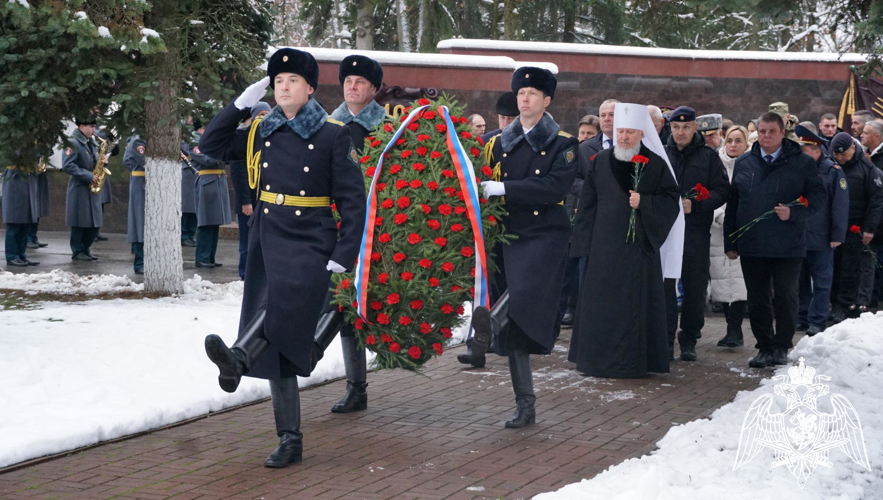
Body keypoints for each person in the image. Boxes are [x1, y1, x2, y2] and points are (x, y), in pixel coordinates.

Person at [200, 48, 366, 468]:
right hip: (267, 236)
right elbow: (210, 145)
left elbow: (352, 201)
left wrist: (343, 254)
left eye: (292, 80)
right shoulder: (262, 130)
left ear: (310, 88)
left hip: (311, 240)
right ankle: (289, 438)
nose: (283, 87)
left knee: (276, 312)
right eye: (277, 82)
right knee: (281, 344)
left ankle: (238, 358)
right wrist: (239, 105)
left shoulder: (332, 134)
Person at [470, 66, 578, 427]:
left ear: (547, 100)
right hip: (506, 234)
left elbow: (555, 188)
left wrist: (506, 190)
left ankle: (484, 332)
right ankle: (525, 404)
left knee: (524, 288)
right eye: (520, 93)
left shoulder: (563, 143)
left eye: (532, 93)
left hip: (544, 233)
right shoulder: (497, 143)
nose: (525, 98)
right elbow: (483, 179)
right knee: (516, 325)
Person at [569, 102, 683, 378]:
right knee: (601, 307)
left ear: (641, 134)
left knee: (632, 306)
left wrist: (645, 202)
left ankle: (631, 362)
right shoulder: (600, 162)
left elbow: (671, 201)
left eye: (630, 132)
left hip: (637, 251)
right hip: (603, 250)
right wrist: (583, 246)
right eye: (621, 132)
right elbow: (587, 205)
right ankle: (597, 362)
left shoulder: (655, 165)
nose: (624, 137)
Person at [724, 112, 826, 368]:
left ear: (782, 133)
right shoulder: (745, 162)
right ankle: (764, 347)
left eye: (772, 131)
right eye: (763, 131)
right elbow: (733, 205)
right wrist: (731, 242)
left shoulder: (801, 163)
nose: (767, 136)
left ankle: (781, 346)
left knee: (785, 296)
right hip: (752, 244)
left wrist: (794, 213)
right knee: (757, 299)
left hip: (787, 244)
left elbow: (818, 198)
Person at [322, 54, 386, 413]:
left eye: (360, 82)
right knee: (343, 303)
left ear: (373, 89)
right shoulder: (330, 126)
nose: (352, 86)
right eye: (347, 80)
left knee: (364, 303)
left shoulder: (385, 129)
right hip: (338, 226)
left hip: (376, 227)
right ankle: (356, 386)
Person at [664, 106, 729, 361]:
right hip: (666, 233)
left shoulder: (708, 157)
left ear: (695, 127)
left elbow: (722, 190)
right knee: (665, 287)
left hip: (695, 231)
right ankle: (665, 339)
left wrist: (697, 204)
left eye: (686, 127)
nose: (680, 132)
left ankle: (689, 338)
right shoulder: (661, 153)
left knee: (694, 288)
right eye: (676, 127)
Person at [793, 125, 848, 336]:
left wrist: (836, 235)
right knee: (801, 280)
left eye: (804, 150)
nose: (801, 154)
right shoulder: (799, 169)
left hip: (823, 237)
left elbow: (840, 206)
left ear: (816, 150)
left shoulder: (832, 172)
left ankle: (817, 320)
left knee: (822, 281)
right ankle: (803, 317)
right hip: (800, 235)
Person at [828, 132, 883, 319]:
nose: (840, 158)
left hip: (855, 227)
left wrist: (869, 228)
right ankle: (832, 303)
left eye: (843, 154)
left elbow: (876, 201)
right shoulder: (832, 165)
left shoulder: (867, 169)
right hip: (833, 227)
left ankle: (844, 306)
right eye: (837, 154)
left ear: (853, 148)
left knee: (849, 269)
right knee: (832, 267)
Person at [710, 126, 750, 347]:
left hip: (743, 230)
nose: (733, 145)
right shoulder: (717, 164)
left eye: (738, 141)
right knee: (722, 280)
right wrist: (719, 214)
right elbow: (711, 192)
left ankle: (736, 330)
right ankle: (730, 328)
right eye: (730, 141)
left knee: (740, 282)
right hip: (718, 231)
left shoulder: (752, 164)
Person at [230, 103, 271, 280]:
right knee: (247, 242)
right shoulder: (243, 138)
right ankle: (245, 274)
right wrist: (245, 202)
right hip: (249, 202)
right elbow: (238, 174)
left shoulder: (272, 137)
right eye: (260, 114)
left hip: (265, 200)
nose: (263, 117)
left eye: (267, 113)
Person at [62, 113, 104, 261]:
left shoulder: (90, 141)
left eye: (94, 126)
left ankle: (85, 249)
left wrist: (102, 162)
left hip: (92, 188)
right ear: (81, 127)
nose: (94, 129)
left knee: (93, 224)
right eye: (91, 126)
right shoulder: (73, 142)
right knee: (80, 222)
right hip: (80, 187)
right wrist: (88, 175)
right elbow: (68, 165)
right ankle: (78, 250)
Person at [192, 136, 230, 268]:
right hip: (207, 183)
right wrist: (221, 150)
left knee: (214, 223)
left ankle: (209, 257)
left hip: (218, 182)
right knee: (206, 222)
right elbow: (207, 160)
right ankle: (202, 257)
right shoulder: (195, 143)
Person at [2, 159, 40, 267]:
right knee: (14, 222)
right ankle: (12, 256)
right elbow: (20, 154)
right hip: (15, 178)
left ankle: (21, 254)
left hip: (28, 177)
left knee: (26, 222)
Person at [123, 135, 147, 275]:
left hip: (147, 181)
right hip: (141, 183)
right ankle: (140, 263)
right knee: (140, 223)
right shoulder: (138, 140)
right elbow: (144, 161)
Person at [181, 122, 199, 248]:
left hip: (196, 171)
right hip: (186, 171)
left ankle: (191, 234)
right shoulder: (182, 131)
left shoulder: (196, 132)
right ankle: (183, 235)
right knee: (185, 206)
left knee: (194, 207)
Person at [27, 165, 51, 250]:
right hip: (28, 173)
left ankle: (33, 237)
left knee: (38, 206)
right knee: (31, 207)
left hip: (39, 173)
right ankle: (28, 238)